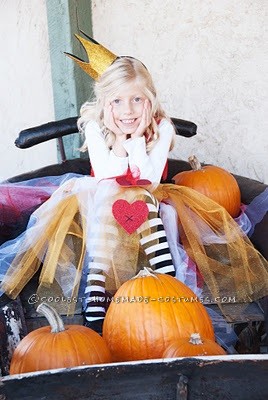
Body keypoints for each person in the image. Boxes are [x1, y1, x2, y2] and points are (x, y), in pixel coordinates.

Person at [1, 53, 268, 335]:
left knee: (141, 198)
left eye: (136, 100)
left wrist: (138, 137)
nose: (127, 110)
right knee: (110, 197)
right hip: (100, 205)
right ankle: (96, 295)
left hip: (150, 203)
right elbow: (106, 176)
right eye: (117, 101)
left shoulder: (162, 127)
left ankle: (166, 282)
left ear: (150, 100)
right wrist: (117, 140)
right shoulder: (93, 126)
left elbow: (148, 180)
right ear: (105, 103)